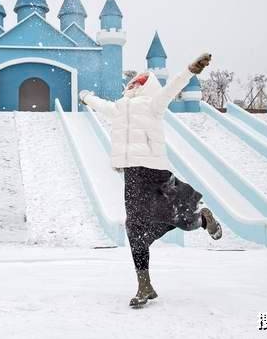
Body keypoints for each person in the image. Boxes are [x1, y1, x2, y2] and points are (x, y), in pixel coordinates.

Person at [79, 53, 222, 308]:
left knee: (184, 220)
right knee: (134, 228)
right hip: (132, 174)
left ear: (148, 85)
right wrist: (86, 97)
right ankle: (144, 285)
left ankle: (203, 219)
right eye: (133, 81)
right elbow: (102, 106)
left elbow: (173, 87)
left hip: (156, 172)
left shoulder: (153, 103)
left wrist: (189, 69)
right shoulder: (120, 107)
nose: (134, 83)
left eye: (141, 81)